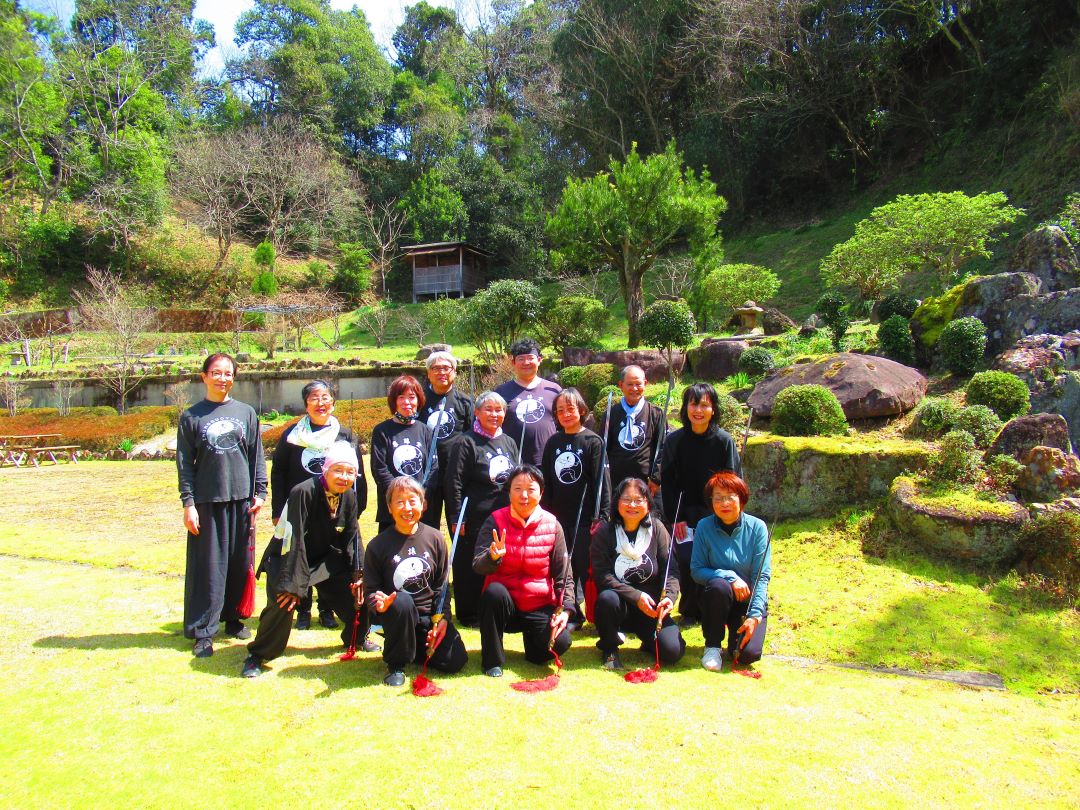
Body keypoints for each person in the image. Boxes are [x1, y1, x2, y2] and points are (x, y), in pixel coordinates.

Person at [241, 442, 377, 677]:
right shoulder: (303, 492)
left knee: (360, 593)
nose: (344, 477)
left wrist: (359, 574)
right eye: (338, 470)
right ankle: (258, 655)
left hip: (324, 559)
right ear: (326, 469)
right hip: (288, 558)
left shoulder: (349, 496)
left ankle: (357, 637)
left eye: (350, 472)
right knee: (285, 601)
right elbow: (293, 539)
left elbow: (352, 537)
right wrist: (294, 585)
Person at [177, 352, 267, 658]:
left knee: (239, 564)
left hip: (241, 500)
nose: (222, 378)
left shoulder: (246, 413)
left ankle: (233, 617)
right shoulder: (192, 417)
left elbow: (256, 456)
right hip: (207, 501)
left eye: (228, 373)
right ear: (204, 376)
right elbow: (185, 465)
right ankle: (203, 630)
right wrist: (188, 503)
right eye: (216, 372)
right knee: (209, 568)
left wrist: (260, 492)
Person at [271, 380, 369, 631]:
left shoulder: (344, 435)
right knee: (299, 552)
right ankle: (302, 609)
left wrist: (355, 509)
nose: (320, 403)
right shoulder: (292, 435)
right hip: (300, 508)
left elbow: (357, 474)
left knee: (331, 558)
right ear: (306, 405)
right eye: (314, 398)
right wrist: (278, 509)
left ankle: (327, 609)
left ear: (333, 403)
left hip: (333, 510)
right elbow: (279, 471)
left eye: (325, 397)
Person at [364, 477, 468, 686]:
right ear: (389, 507)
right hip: (398, 617)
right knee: (402, 600)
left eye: (412, 501)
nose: (407, 508)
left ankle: (414, 648)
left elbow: (441, 587)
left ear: (423, 504)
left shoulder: (436, 538)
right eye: (399, 502)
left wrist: (443, 619)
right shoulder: (377, 545)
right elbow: (371, 591)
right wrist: (379, 605)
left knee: (454, 660)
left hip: (428, 617)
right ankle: (396, 664)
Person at [473, 465, 574, 677]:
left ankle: (534, 648)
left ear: (541, 492)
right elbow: (478, 564)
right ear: (509, 492)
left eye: (531, 489)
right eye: (517, 488)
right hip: (505, 606)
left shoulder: (552, 524)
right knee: (493, 593)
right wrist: (493, 557)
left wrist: (565, 610)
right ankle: (492, 660)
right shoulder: (495, 520)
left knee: (561, 642)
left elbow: (563, 574)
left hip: (539, 603)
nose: (524, 495)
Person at [660, 383, 741, 625]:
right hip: (685, 515)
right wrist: (676, 518)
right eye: (694, 404)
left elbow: (734, 480)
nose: (698, 410)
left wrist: (727, 515)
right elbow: (668, 482)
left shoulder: (724, 441)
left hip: (716, 513)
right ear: (686, 408)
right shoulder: (674, 441)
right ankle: (689, 610)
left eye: (704, 405)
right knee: (687, 560)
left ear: (713, 409)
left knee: (714, 560)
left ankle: (715, 608)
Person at [591, 477, 685, 670]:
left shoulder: (658, 529)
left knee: (672, 652)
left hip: (651, 608)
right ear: (617, 502)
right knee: (607, 598)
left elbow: (671, 570)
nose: (632, 505)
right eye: (626, 499)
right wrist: (636, 596)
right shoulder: (605, 532)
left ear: (648, 504)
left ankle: (649, 641)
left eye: (638, 500)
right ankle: (609, 647)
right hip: (618, 606)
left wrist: (669, 597)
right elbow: (602, 576)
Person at [444, 391, 518, 626]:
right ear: (476, 412)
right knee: (470, 563)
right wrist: (457, 517)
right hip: (474, 516)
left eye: (499, 410)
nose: (494, 414)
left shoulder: (509, 441)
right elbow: (454, 482)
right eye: (488, 409)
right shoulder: (465, 442)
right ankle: (469, 613)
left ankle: (497, 608)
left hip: (503, 514)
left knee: (499, 560)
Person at [540, 387, 609, 628]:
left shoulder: (593, 442)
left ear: (581, 410)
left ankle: (595, 612)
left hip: (586, 517)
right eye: (560, 410)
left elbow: (602, 482)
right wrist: (545, 514)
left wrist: (602, 515)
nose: (566, 414)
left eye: (570, 409)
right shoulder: (553, 442)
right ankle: (571, 611)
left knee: (583, 564)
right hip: (559, 517)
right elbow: (547, 481)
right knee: (562, 565)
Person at [691, 471, 770, 671]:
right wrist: (730, 577)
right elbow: (697, 570)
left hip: (747, 602)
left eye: (730, 497)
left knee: (747, 655)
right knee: (719, 585)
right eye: (718, 498)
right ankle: (712, 646)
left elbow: (761, 576)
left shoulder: (758, 528)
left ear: (741, 499)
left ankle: (736, 640)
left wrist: (755, 615)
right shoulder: (704, 526)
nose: (724, 503)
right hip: (716, 598)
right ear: (711, 501)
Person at [369, 375, 438, 533]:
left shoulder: (426, 431)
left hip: (420, 505)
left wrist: (421, 496)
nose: (407, 402)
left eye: (411, 397)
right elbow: (379, 469)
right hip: (392, 506)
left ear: (419, 400)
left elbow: (433, 468)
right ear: (394, 401)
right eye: (401, 397)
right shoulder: (381, 431)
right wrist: (399, 497)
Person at [418, 351, 474, 530]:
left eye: (446, 368)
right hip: (427, 475)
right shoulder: (419, 401)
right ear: (428, 373)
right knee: (426, 527)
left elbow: (472, 436)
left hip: (456, 475)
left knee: (459, 526)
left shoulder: (464, 402)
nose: (441, 372)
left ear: (454, 372)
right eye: (436, 368)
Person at [495, 338, 562, 467]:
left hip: (550, 461)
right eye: (521, 359)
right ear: (513, 362)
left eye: (530, 358)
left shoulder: (554, 390)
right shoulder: (501, 392)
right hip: (514, 462)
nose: (526, 362)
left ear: (539, 360)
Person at [606, 366, 667, 497]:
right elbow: (604, 448)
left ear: (645, 383)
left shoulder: (656, 413)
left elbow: (663, 447)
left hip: (647, 484)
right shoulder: (611, 413)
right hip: (616, 483)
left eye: (638, 384)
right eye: (630, 384)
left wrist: (656, 478)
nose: (634, 388)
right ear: (621, 385)